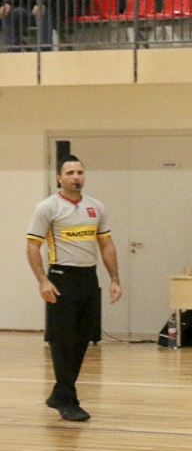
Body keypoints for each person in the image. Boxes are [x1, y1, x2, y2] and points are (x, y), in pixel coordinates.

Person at [28, 155, 121, 422]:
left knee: (83, 338)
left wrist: (114, 279)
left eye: (80, 172)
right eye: (70, 173)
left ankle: (60, 393)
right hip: (61, 277)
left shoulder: (96, 207)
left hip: (88, 278)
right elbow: (33, 246)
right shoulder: (47, 207)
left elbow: (106, 245)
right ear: (60, 177)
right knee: (63, 340)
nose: (76, 177)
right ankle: (68, 399)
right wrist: (43, 281)